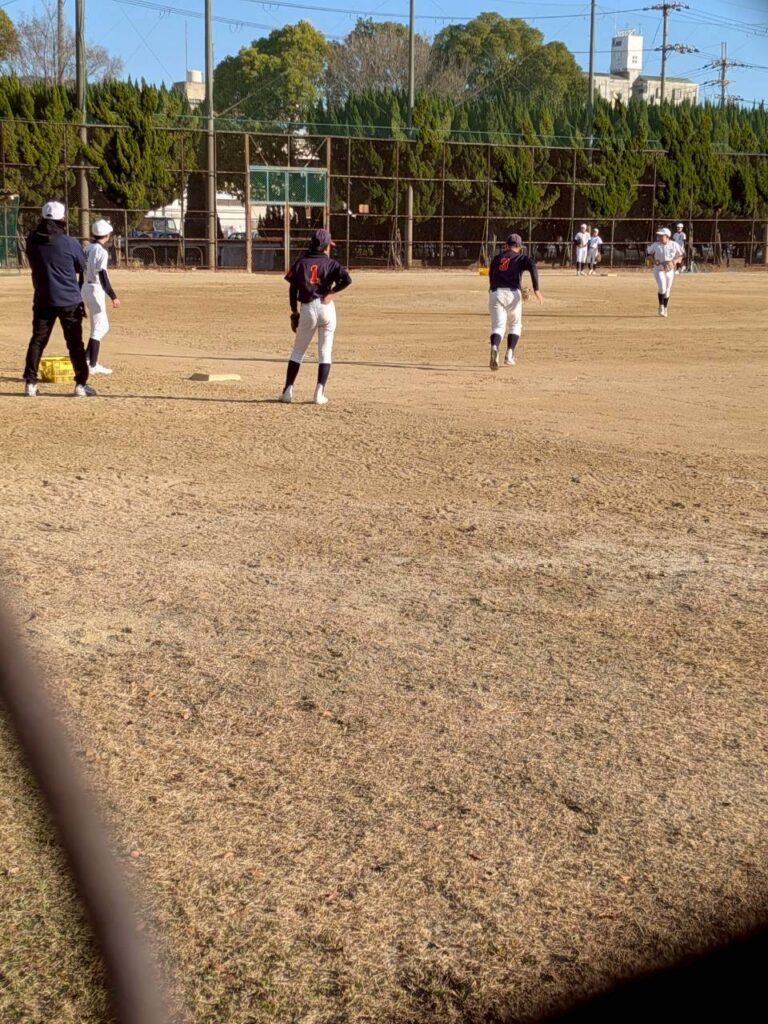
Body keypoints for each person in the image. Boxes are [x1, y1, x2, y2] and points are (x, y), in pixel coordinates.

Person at [22, 200, 94, 398]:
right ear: (62, 219)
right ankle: (80, 384)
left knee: (37, 340)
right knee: (75, 343)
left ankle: (30, 382)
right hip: (69, 299)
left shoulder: (32, 240)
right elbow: (81, 266)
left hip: (43, 298)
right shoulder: (69, 242)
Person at [280, 228, 352, 405]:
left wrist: (294, 312)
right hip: (326, 308)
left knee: (298, 352)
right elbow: (347, 279)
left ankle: (288, 391)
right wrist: (332, 292)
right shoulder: (331, 263)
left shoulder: (301, 263)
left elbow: (292, 289)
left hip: (308, 308)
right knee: (325, 352)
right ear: (326, 246)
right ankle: (319, 393)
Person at [487, 232, 543, 371]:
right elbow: (532, 266)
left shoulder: (497, 258)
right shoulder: (520, 257)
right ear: (519, 246)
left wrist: (492, 289)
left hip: (496, 293)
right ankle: (509, 355)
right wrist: (536, 289)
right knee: (515, 325)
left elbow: (491, 274)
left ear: (506, 245)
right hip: (513, 293)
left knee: (498, 326)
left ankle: (495, 346)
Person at [82, 219, 121, 375]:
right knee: (100, 328)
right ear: (107, 235)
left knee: (97, 328)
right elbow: (103, 275)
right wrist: (113, 296)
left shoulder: (87, 248)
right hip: (95, 289)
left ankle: (86, 360)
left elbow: (81, 272)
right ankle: (92, 364)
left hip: (85, 287)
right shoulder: (101, 251)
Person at [646, 227, 684, 317]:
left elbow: (682, 254)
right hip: (658, 269)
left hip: (669, 270)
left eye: (661, 235)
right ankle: (661, 306)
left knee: (667, 291)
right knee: (662, 288)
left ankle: (665, 308)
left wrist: (675, 261)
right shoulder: (656, 245)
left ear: (667, 237)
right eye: (659, 235)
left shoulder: (674, 245)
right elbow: (648, 253)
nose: (659, 237)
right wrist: (653, 260)